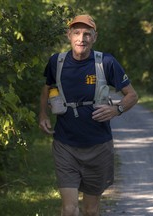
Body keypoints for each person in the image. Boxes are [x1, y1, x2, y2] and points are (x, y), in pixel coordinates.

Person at [39, 14, 138, 216]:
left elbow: (132, 95)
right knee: (69, 208)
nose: (81, 38)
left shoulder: (106, 62)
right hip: (65, 144)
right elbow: (47, 87)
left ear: (94, 37)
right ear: (69, 35)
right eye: (76, 33)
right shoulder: (56, 62)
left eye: (87, 34)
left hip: (98, 145)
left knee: (91, 210)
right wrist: (43, 114)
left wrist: (116, 109)